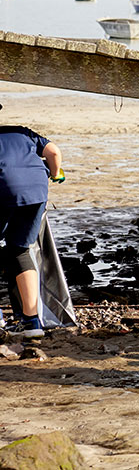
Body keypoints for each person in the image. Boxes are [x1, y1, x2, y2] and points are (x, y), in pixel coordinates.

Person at [1, 102, 66, 340]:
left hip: (3, 190)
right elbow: (54, 152)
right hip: (36, 191)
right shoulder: (22, 132)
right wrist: (56, 174)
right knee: (19, 250)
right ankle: (32, 322)